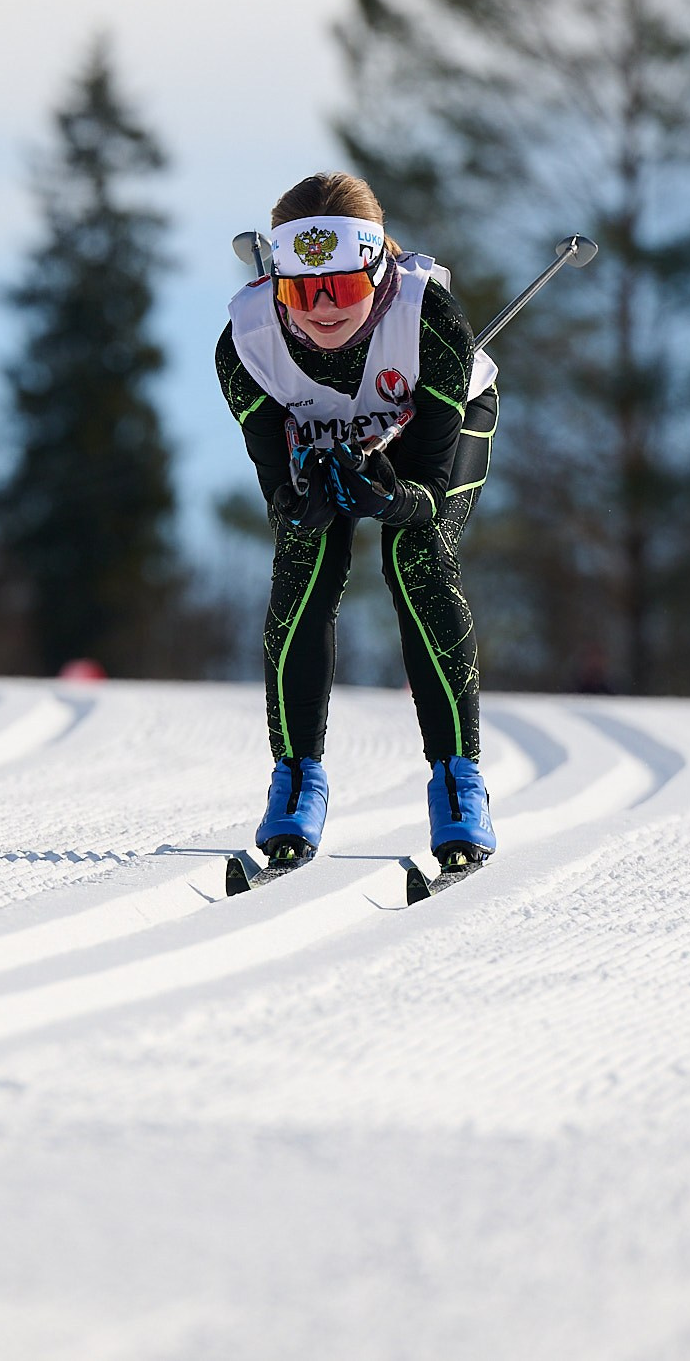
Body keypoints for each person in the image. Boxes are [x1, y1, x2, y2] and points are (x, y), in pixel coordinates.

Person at [216, 172, 502, 880]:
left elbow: (429, 489)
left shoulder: (430, 320)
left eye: (340, 289)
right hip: (321, 442)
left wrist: (393, 496)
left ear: (377, 271)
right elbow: (275, 482)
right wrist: (296, 498)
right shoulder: (246, 347)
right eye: (301, 293)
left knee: (416, 556)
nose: (322, 314)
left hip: (432, 438)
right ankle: (296, 779)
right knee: (305, 554)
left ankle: (458, 781)